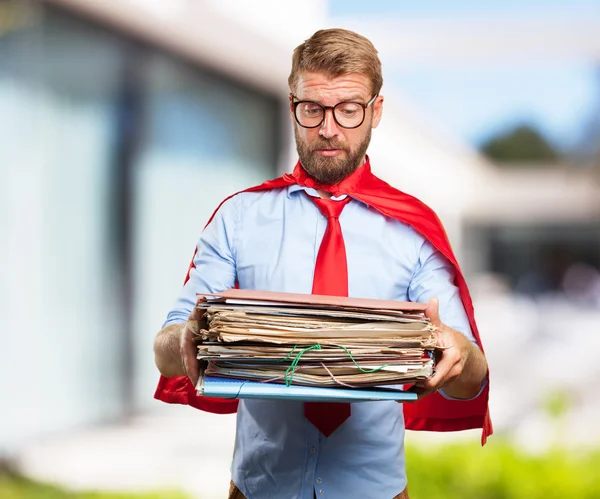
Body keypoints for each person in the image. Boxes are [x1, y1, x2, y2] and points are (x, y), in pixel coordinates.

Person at [153, 28, 491, 499]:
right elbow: (166, 349)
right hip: (259, 489)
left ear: (376, 111)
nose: (328, 128)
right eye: (312, 109)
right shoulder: (239, 218)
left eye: (348, 109)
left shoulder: (414, 230)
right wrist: (185, 336)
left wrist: (455, 350)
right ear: (292, 105)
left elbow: (471, 378)